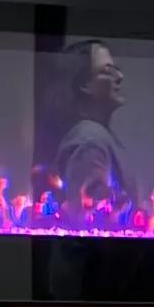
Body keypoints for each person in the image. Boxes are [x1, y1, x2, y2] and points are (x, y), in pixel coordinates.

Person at [52, 41, 132, 223]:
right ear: (84, 84)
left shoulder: (97, 136)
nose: (119, 77)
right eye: (107, 71)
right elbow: (88, 220)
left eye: (116, 70)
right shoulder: (90, 141)